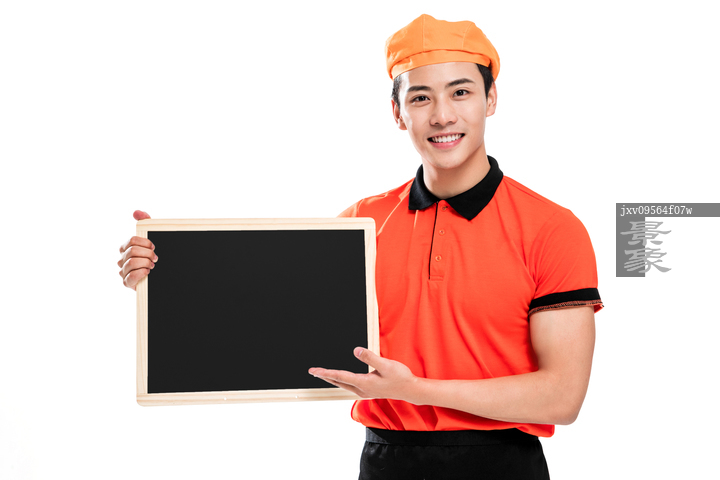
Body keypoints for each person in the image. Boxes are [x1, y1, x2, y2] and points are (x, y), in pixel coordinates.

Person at [118, 14, 603, 479]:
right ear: (397, 113)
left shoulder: (552, 229)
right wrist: (168, 277)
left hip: (503, 465)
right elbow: (267, 320)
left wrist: (416, 390)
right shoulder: (359, 225)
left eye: (461, 92)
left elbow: (562, 397)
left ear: (490, 99)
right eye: (420, 98)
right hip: (385, 462)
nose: (442, 115)